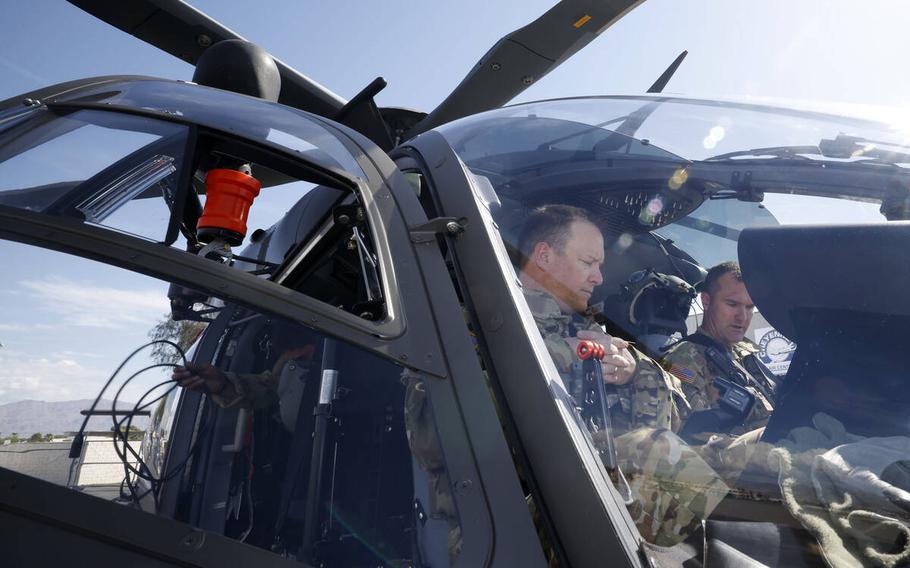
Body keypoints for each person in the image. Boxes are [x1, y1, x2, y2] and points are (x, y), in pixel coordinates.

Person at [516, 204, 682, 434]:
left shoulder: (583, 328)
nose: (599, 278)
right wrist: (564, 354)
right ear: (544, 256)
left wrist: (632, 371)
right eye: (587, 262)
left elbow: (677, 401)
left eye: (599, 266)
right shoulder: (485, 317)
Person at [662, 261, 776, 442]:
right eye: (732, 304)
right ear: (706, 301)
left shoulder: (743, 352)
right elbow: (693, 440)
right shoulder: (681, 361)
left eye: (749, 307)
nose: (743, 317)